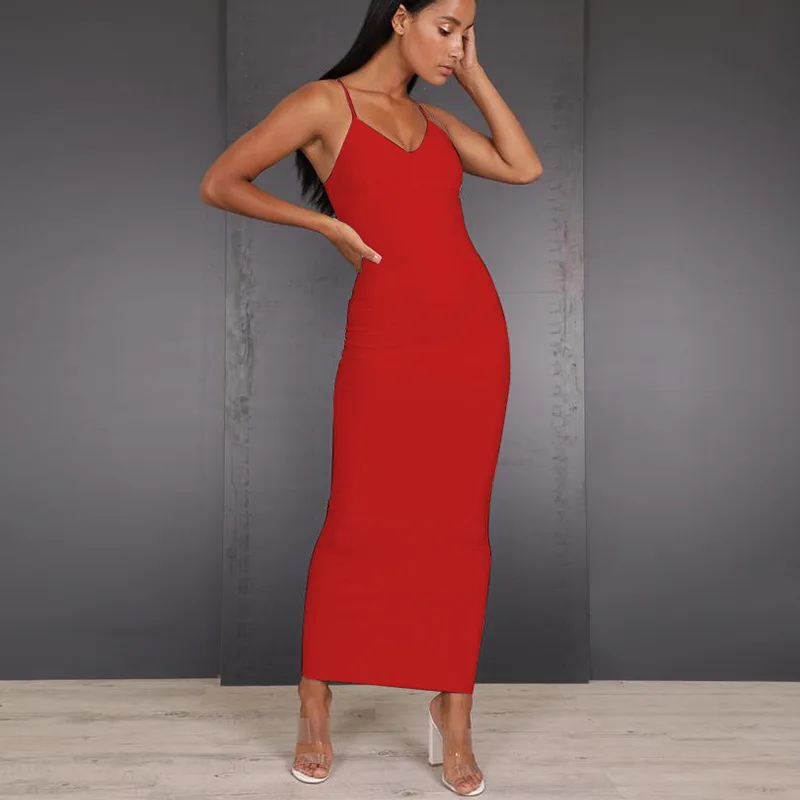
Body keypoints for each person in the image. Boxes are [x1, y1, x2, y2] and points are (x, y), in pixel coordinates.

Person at [200, 0, 542, 794]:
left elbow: (523, 168)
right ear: (399, 18)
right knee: (358, 517)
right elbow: (220, 182)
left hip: (473, 338)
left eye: (468, 32)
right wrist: (325, 226)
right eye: (446, 28)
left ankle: (453, 711)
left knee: (460, 526)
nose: (456, 45)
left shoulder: (437, 119)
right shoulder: (325, 105)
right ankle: (315, 696)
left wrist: (474, 74)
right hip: (387, 339)